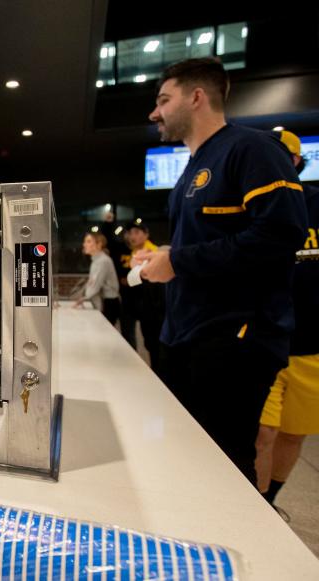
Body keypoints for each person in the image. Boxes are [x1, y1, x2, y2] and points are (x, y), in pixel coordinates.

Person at [135, 57, 307, 484]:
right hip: (187, 335)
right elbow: (212, 243)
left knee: (225, 467)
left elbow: (281, 233)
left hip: (235, 338)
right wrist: (169, 255)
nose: (154, 113)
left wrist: (178, 260)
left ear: (196, 97)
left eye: (163, 100)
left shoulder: (252, 149)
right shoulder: (192, 169)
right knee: (189, 460)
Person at [254, 130, 319, 512]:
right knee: (263, 432)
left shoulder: (316, 204)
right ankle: (259, 507)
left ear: (296, 161)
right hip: (266, 338)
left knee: (293, 436)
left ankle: (271, 500)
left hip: (312, 346)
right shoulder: (252, 207)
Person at [118, 222, 167, 377]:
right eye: (130, 233)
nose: (133, 236)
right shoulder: (132, 253)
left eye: (137, 232)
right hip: (135, 304)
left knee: (155, 345)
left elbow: (157, 285)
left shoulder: (154, 252)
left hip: (153, 309)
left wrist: (139, 274)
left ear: (146, 234)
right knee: (147, 341)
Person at [74, 232, 121, 324]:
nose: (84, 244)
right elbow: (92, 283)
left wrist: (82, 298)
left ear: (99, 244)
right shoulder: (97, 260)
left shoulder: (103, 261)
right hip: (105, 301)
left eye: (88, 241)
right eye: (85, 241)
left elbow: (95, 285)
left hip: (109, 303)